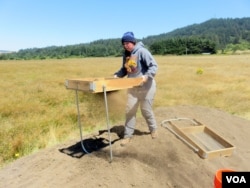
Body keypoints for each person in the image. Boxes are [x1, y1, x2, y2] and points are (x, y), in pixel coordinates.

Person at [114, 31, 158, 146]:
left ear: (133, 42)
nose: (125, 45)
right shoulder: (126, 55)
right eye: (124, 43)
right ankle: (128, 136)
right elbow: (125, 70)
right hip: (133, 87)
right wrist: (117, 75)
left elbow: (153, 66)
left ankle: (153, 129)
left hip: (147, 87)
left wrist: (146, 76)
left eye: (128, 42)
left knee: (146, 110)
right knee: (130, 111)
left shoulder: (142, 51)